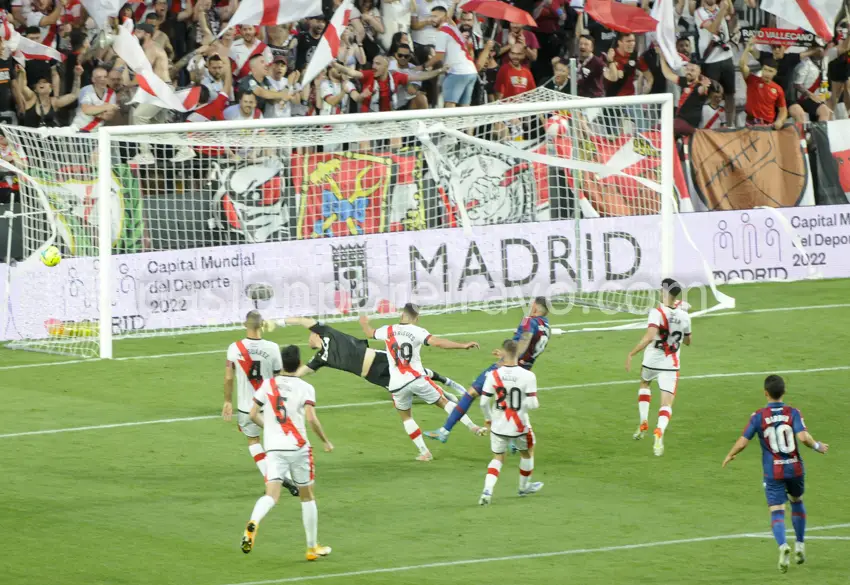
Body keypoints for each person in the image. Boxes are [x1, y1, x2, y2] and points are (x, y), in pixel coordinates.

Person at [722, 375, 829, 572]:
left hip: (773, 472)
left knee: (777, 511)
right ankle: (800, 545)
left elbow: (743, 441)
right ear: (784, 392)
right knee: (797, 501)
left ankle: (783, 545)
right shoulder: (793, 412)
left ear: (765, 393)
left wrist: (730, 454)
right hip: (795, 468)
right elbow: (803, 437)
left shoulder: (758, 416)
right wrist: (817, 446)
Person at [241, 345, 334, 561]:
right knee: (307, 496)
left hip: (274, 448)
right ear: (299, 364)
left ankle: (254, 521)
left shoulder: (268, 384)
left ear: (281, 364)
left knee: (271, 495)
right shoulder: (305, 387)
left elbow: (252, 414)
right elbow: (311, 418)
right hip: (298, 448)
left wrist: (270, 428)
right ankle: (312, 548)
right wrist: (325, 441)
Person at [277, 317, 475, 414]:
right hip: (372, 376)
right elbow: (299, 373)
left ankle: (447, 386)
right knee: (411, 389)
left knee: (415, 374)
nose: (308, 337)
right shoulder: (320, 358)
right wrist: (279, 378)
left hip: (379, 359)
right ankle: (447, 397)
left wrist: (281, 321)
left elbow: (302, 320)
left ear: (316, 334)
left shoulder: (327, 332)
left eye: (310, 334)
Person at [359, 303, 480, 461]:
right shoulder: (417, 331)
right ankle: (473, 427)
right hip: (416, 378)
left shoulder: (387, 330)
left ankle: (425, 452)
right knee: (444, 402)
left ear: (402, 314)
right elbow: (438, 343)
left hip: (396, 384)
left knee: (407, 418)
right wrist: (463, 345)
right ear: (416, 317)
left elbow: (369, 333)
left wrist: (364, 323)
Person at [426, 297, 551, 444]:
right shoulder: (546, 327)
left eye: (531, 305)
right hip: (523, 371)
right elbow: (529, 349)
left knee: (472, 393)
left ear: (535, 307)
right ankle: (514, 442)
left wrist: (507, 358)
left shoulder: (529, 321)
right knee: (510, 404)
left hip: (507, 366)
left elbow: (523, 345)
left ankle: (444, 431)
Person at [223, 311, 301, 495]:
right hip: (270, 405)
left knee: (253, 441)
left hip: (246, 407)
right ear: (262, 325)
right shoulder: (273, 348)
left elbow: (228, 378)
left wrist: (227, 401)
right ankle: (288, 477)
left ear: (245, 325)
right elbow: (279, 377)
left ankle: (273, 477)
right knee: (278, 440)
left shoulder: (234, 348)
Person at [625, 279, 691, 457]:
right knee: (666, 404)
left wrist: (632, 353)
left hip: (652, 360)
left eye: (662, 290)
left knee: (645, 383)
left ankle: (643, 421)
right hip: (671, 364)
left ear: (665, 292)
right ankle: (659, 431)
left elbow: (649, 337)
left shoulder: (657, 313)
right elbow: (688, 341)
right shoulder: (685, 315)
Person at [477, 339, 543, 506]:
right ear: (518, 353)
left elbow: (483, 403)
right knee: (527, 453)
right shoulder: (528, 376)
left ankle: (487, 491)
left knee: (498, 458)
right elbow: (533, 405)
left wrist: (488, 419)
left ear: (503, 352)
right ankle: (523, 487)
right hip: (519, 426)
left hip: (498, 426)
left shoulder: (493, 375)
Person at [694, 0, 736, 126]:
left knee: (730, 94)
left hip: (726, 56)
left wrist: (725, 6)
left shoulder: (720, 7)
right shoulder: (699, 12)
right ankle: (707, 126)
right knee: (709, 95)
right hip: (711, 60)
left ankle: (730, 125)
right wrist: (722, 10)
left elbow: (731, 12)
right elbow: (713, 29)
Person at [428, 4, 478, 108]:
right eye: (431, 16)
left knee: (449, 105)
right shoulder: (453, 28)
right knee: (465, 106)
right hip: (471, 71)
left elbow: (438, 56)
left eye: (435, 16)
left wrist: (424, 66)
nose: (432, 19)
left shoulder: (443, 32)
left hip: (457, 72)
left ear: (444, 17)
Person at [740, 38, 787, 129]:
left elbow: (783, 109)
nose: (767, 73)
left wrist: (780, 121)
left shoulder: (778, 89)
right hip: (750, 124)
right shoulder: (752, 80)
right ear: (762, 69)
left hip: (768, 126)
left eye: (770, 71)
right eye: (765, 70)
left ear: (775, 73)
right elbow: (742, 65)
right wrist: (747, 48)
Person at [658, 56, 711, 136]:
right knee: (656, 127)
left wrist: (704, 86)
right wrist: (662, 58)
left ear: (699, 72)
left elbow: (702, 90)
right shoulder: (684, 81)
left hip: (689, 124)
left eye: (692, 70)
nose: (688, 72)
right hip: (679, 121)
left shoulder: (699, 85)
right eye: (687, 69)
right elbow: (668, 75)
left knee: (664, 127)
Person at [18, 64, 82, 128]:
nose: (41, 84)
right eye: (39, 83)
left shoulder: (54, 102)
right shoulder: (31, 98)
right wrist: (22, 73)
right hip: (28, 134)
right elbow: (23, 87)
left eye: (45, 82)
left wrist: (77, 76)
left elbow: (74, 95)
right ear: (35, 89)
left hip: (48, 133)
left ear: (51, 88)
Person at [71, 66, 119, 132]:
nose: (103, 79)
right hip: (78, 129)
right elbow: (87, 110)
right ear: (93, 79)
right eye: (99, 77)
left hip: (96, 132)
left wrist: (94, 111)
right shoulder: (86, 90)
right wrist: (107, 107)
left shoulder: (111, 94)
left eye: (105, 77)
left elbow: (108, 116)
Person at [575, 34, 605, 99]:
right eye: (580, 44)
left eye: (586, 44)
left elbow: (607, 75)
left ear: (592, 48)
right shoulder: (573, 60)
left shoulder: (598, 63)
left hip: (593, 99)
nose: (582, 46)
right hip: (577, 97)